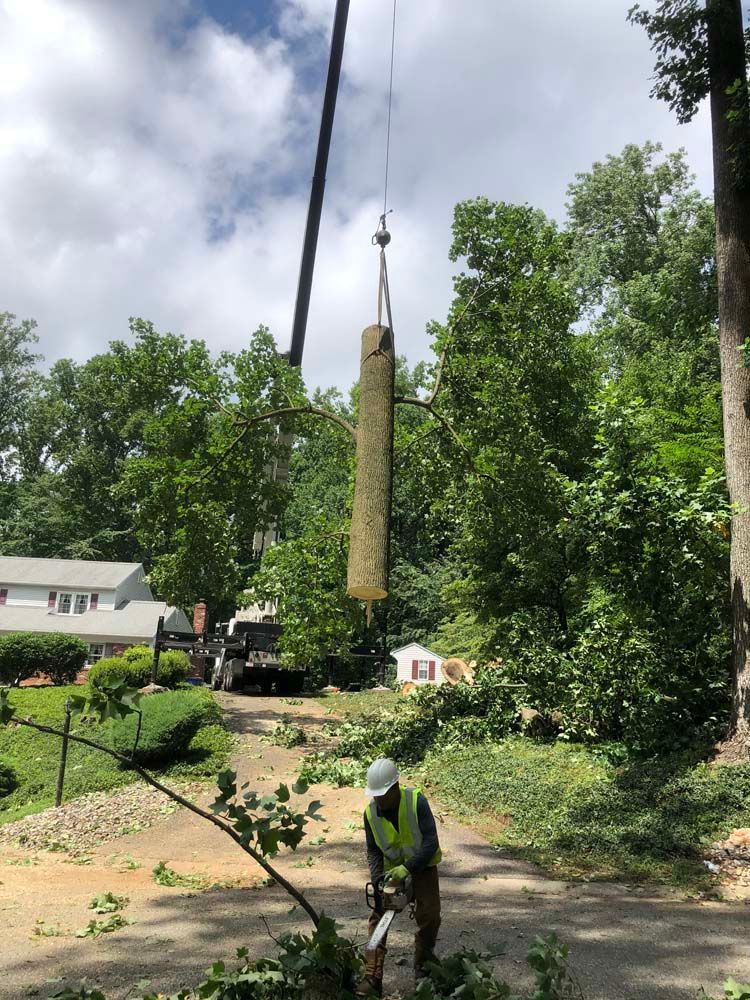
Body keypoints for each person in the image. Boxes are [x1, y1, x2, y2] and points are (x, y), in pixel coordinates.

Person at [355, 757, 442, 997]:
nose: (378, 800)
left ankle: (424, 969)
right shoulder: (370, 813)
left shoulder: (416, 802)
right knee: (378, 919)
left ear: (395, 787)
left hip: (422, 867)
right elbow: (373, 850)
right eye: (375, 795)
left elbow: (431, 841)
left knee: (430, 915)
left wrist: (409, 868)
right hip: (393, 872)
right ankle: (372, 976)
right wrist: (378, 879)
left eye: (382, 794)